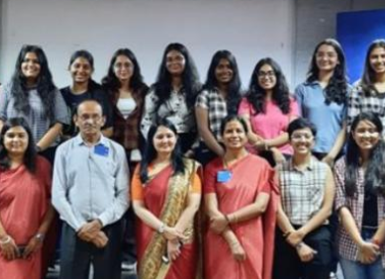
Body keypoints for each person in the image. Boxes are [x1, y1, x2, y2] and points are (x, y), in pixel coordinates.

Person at [52, 99, 130, 279]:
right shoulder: (64, 150)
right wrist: (81, 226)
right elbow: (58, 194)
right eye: (84, 116)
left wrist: (99, 223)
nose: (90, 121)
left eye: (95, 116)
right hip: (74, 226)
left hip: (108, 226)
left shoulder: (116, 150)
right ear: (75, 120)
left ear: (103, 120)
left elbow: (123, 195)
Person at [0, 118, 55, 280]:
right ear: (2, 139)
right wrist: (3, 238)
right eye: (11, 135)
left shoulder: (42, 165)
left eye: (21, 135)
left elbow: (51, 204)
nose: (16, 140)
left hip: (30, 246)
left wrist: (40, 236)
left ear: (29, 139)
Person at [203, 115, 276, 279]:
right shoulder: (212, 168)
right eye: (229, 131)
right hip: (220, 235)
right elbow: (211, 208)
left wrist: (228, 218)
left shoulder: (262, 166)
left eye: (239, 131)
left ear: (246, 135)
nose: (234, 135)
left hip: (251, 235)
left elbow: (260, 206)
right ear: (221, 137)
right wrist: (232, 240)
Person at [334, 112, 385, 279]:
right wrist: (361, 244)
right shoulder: (342, 164)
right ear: (353, 134)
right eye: (361, 130)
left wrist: (373, 244)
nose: (366, 135)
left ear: (379, 134)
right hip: (350, 241)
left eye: (372, 130)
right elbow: (341, 206)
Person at [132, 120, 202, 279]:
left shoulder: (189, 168)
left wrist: (174, 237)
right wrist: (164, 230)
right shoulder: (142, 169)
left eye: (169, 136)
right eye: (160, 137)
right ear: (151, 140)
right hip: (151, 235)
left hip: (182, 238)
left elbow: (193, 205)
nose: (165, 140)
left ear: (176, 138)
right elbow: (138, 207)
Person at [273, 118, 335, 279]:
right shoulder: (278, 171)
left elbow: (327, 209)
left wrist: (300, 234)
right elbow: (276, 208)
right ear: (289, 140)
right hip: (286, 232)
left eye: (307, 136)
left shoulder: (324, 169)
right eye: (297, 136)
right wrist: (295, 239)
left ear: (313, 141)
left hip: (317, 233)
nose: (302, 140)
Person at [0, 44, 68, 165]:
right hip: (11, 152)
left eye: (36, 61)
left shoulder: (53, 92)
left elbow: (59, 124)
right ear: (20, 64)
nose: (30, 64)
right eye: (26, 60)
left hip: (44, 152)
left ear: (42, 66)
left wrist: (37, 148)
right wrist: (15, 143)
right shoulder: (6, 89)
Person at [295, 39, 349, 165]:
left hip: (337, 156)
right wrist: (307, 154)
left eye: (330, 55)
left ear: (338, 60)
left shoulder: (347, 90)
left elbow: (346, 127)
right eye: (320, 54)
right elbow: (298, 125)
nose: (324, 58)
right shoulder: (302, 89)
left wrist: (331, 156)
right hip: (308, 154)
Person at [141, 43, 202, 154]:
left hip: (190, 147)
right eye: (169, 59)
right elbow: (147, 122)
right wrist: (156, 144)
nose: (174, 62)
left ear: (186, 61)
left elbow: (203, 125)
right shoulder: (155, 90)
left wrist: (193, 149)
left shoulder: (198, 89)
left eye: (178, 58)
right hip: (161, 145)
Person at [238, 57, 301, 164]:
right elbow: (246, 131)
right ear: (256, 77)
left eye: (270, 73)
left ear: (277, 76)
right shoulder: (247, 101)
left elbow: (292, 132)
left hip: (283, 156)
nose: (266, 77)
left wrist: (268, 144)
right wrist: (272, 148)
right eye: (262, 74)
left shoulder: (290, 101)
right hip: (255, 154)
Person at [102, 48, 148, 164]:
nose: (123, 69)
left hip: (137, 150)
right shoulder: (104, 91)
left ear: (134, 67)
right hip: (109, 149)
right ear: (112, 68)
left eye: (127, 65)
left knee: (136, 175)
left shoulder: (143, 91)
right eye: (118, 65)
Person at [196, 50, 243, 162]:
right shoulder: (205, 95)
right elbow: (203, 129)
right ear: (213, 70)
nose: (225, 71)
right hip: (211, 151)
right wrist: (223, 153)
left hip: (237, 152)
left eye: (229, 67)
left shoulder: (241, 96)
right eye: (220, 67)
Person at [60, 49, 113, 140]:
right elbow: (54, 129)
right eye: (77, 66)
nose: (81, 70)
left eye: (85, 67)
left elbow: (109, 130)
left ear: (92, 70)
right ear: (69, 67)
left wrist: (80, 140)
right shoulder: (59, 95)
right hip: (64, 146)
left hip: (92, 145)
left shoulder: (100, 95)